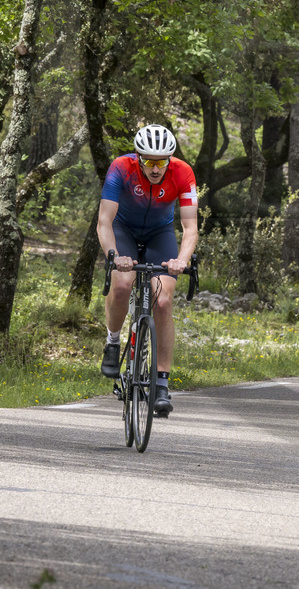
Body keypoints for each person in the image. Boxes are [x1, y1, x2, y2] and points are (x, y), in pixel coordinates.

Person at [97, 124, 199, 416]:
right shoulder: (121, 168)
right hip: (124, 229)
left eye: (162, 162)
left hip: (160, 233)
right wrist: (114, 255)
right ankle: (113, 341)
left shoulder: (183, 173)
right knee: (122, 285)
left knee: (163, 301)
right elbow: (105, 221)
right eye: (149, 161)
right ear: (138, 156)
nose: (156, 168)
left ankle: (161, 384)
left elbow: (190, 227)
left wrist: (181, 258)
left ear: (170, 159)